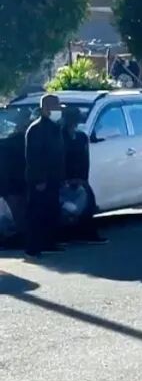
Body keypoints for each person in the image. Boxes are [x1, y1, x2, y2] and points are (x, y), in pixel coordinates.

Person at [23, 94, 66, 258]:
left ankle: (48, 243)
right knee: (36, 213)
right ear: (45, 109)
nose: (58, 111)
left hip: (53, 177)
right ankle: (32, 247)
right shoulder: (37, 129)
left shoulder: (55, 128)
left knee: (51, 211)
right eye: (55, 108)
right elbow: (34, 157)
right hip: (40, 179)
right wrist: (39, 179)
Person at [61, 105, 106, 244]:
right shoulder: (59, 137)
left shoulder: (81, 137)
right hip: (65, 178)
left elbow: (85, 160)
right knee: (64, 206)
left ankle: (87, 234)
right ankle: (65, 234)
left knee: (88, 202)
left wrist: (83, 178)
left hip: (79, 177)